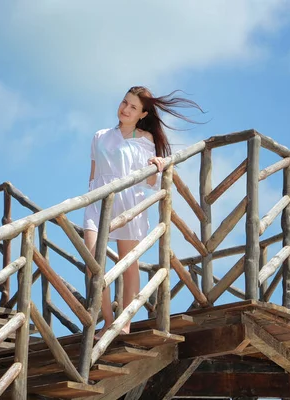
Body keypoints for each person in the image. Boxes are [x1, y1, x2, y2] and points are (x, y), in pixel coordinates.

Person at [83, 86, 203, 338]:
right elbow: (93, 176)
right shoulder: (100, 136)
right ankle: (106, 320)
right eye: (124, 102)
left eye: (133, 107)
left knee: (129, 264)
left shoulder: (146, 140)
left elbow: (150, 183)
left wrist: (157, 166)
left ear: (143, 113)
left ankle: (123, 323)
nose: (125, 109)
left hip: (129, 203)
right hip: (98, 201)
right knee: (93, 262)